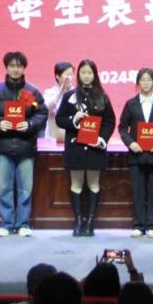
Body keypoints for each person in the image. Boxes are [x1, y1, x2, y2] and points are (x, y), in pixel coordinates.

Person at [0, 51, 48, 237]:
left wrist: (30, 124)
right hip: (3, 147)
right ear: (6, 68)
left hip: (26, 147)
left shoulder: (32, 92)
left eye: (19, 66)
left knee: (25, 189)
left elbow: (42, 113)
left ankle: (23, 224)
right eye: (12, 66)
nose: (15, 69)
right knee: (5, 188)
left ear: (24, 68)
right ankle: (7, 224)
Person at [56, 59, 116, 237]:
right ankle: (78, 222)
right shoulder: (70, 95)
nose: (86, 76)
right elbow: (59, 119)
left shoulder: (102, 96)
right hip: (75, 148)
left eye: (90, 73)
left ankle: (90, 223)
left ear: (95, 75)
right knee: (76, 184)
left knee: (93, 184)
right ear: (78, 75)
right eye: (83, 72)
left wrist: (102, 139)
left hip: (94, 148)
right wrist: (74, 119)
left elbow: (110, 121)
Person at [118, 67, 153, 238]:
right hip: (137, 155)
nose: (146, 83)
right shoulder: (131, 104)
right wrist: (131, 143)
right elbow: (122, 128)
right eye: (142, 80)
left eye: (149, 80)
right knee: (138, 192)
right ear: (138, 83)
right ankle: (139, 224)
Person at [43, 62, 74, 143]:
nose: (70, 78)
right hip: (52, 139)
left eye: (71, 74)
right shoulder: (49, 93)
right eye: (67, 74)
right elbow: (46, 109)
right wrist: (61, 91)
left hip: (71, 139)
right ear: (57, 76)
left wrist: (71, 91)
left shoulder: (77, 93)